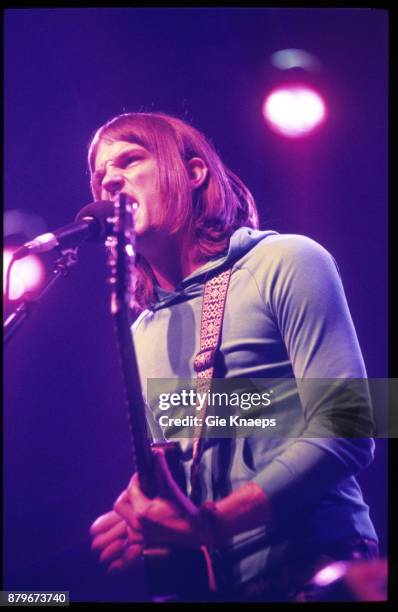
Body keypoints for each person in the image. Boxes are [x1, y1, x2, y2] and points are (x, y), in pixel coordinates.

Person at [88, 112, 379, 602]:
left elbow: (351, 429)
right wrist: (144, 515)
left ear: (193, 171)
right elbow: (207, 440)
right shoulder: (139, 331)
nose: (109, 180)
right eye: (99, 175)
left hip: (316, 567)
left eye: (130, 160)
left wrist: (212, 525)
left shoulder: (287, 260)